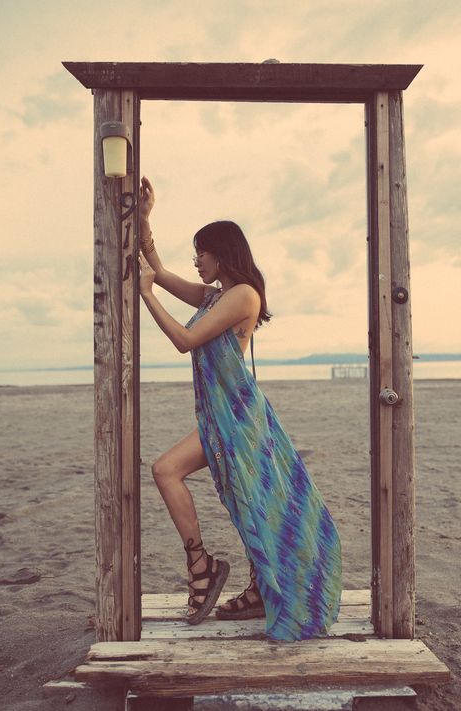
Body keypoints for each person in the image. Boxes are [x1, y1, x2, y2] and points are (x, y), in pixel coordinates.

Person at [138, 176, 342, 641]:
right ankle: (210, 570)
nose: (197, 261)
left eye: (202, 253)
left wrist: (146, 295)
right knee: (195, 481)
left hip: (238, 420)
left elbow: (186, 340)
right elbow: (162, 271)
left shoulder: (242, 296)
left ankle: (213, 575)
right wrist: (146, 221)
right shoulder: (215, 294)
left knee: (243, 498)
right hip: (220, 418)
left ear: (223, 254)